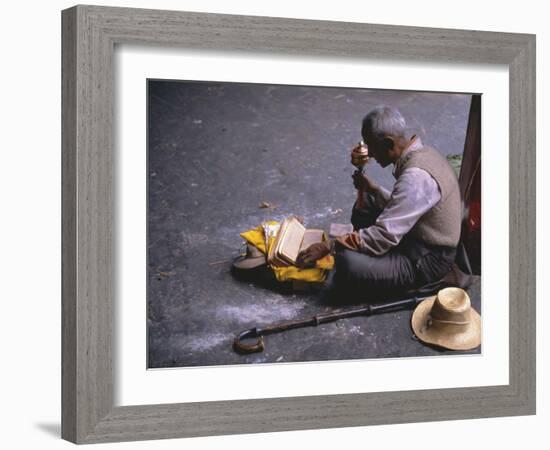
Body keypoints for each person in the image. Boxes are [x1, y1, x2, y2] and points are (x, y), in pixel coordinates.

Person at [296, 105, 463, 300]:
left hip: (428, 258)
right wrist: (372, 189)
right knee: (368, 199)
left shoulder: (416, 178)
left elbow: (383, 236)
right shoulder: (423, 152)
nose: (371, 155)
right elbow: (404, 206)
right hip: (417, 234)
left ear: (388, 144)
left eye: (372, 147)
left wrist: (330, 246)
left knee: (346, 262)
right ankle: (374, 257)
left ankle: (406, 278)